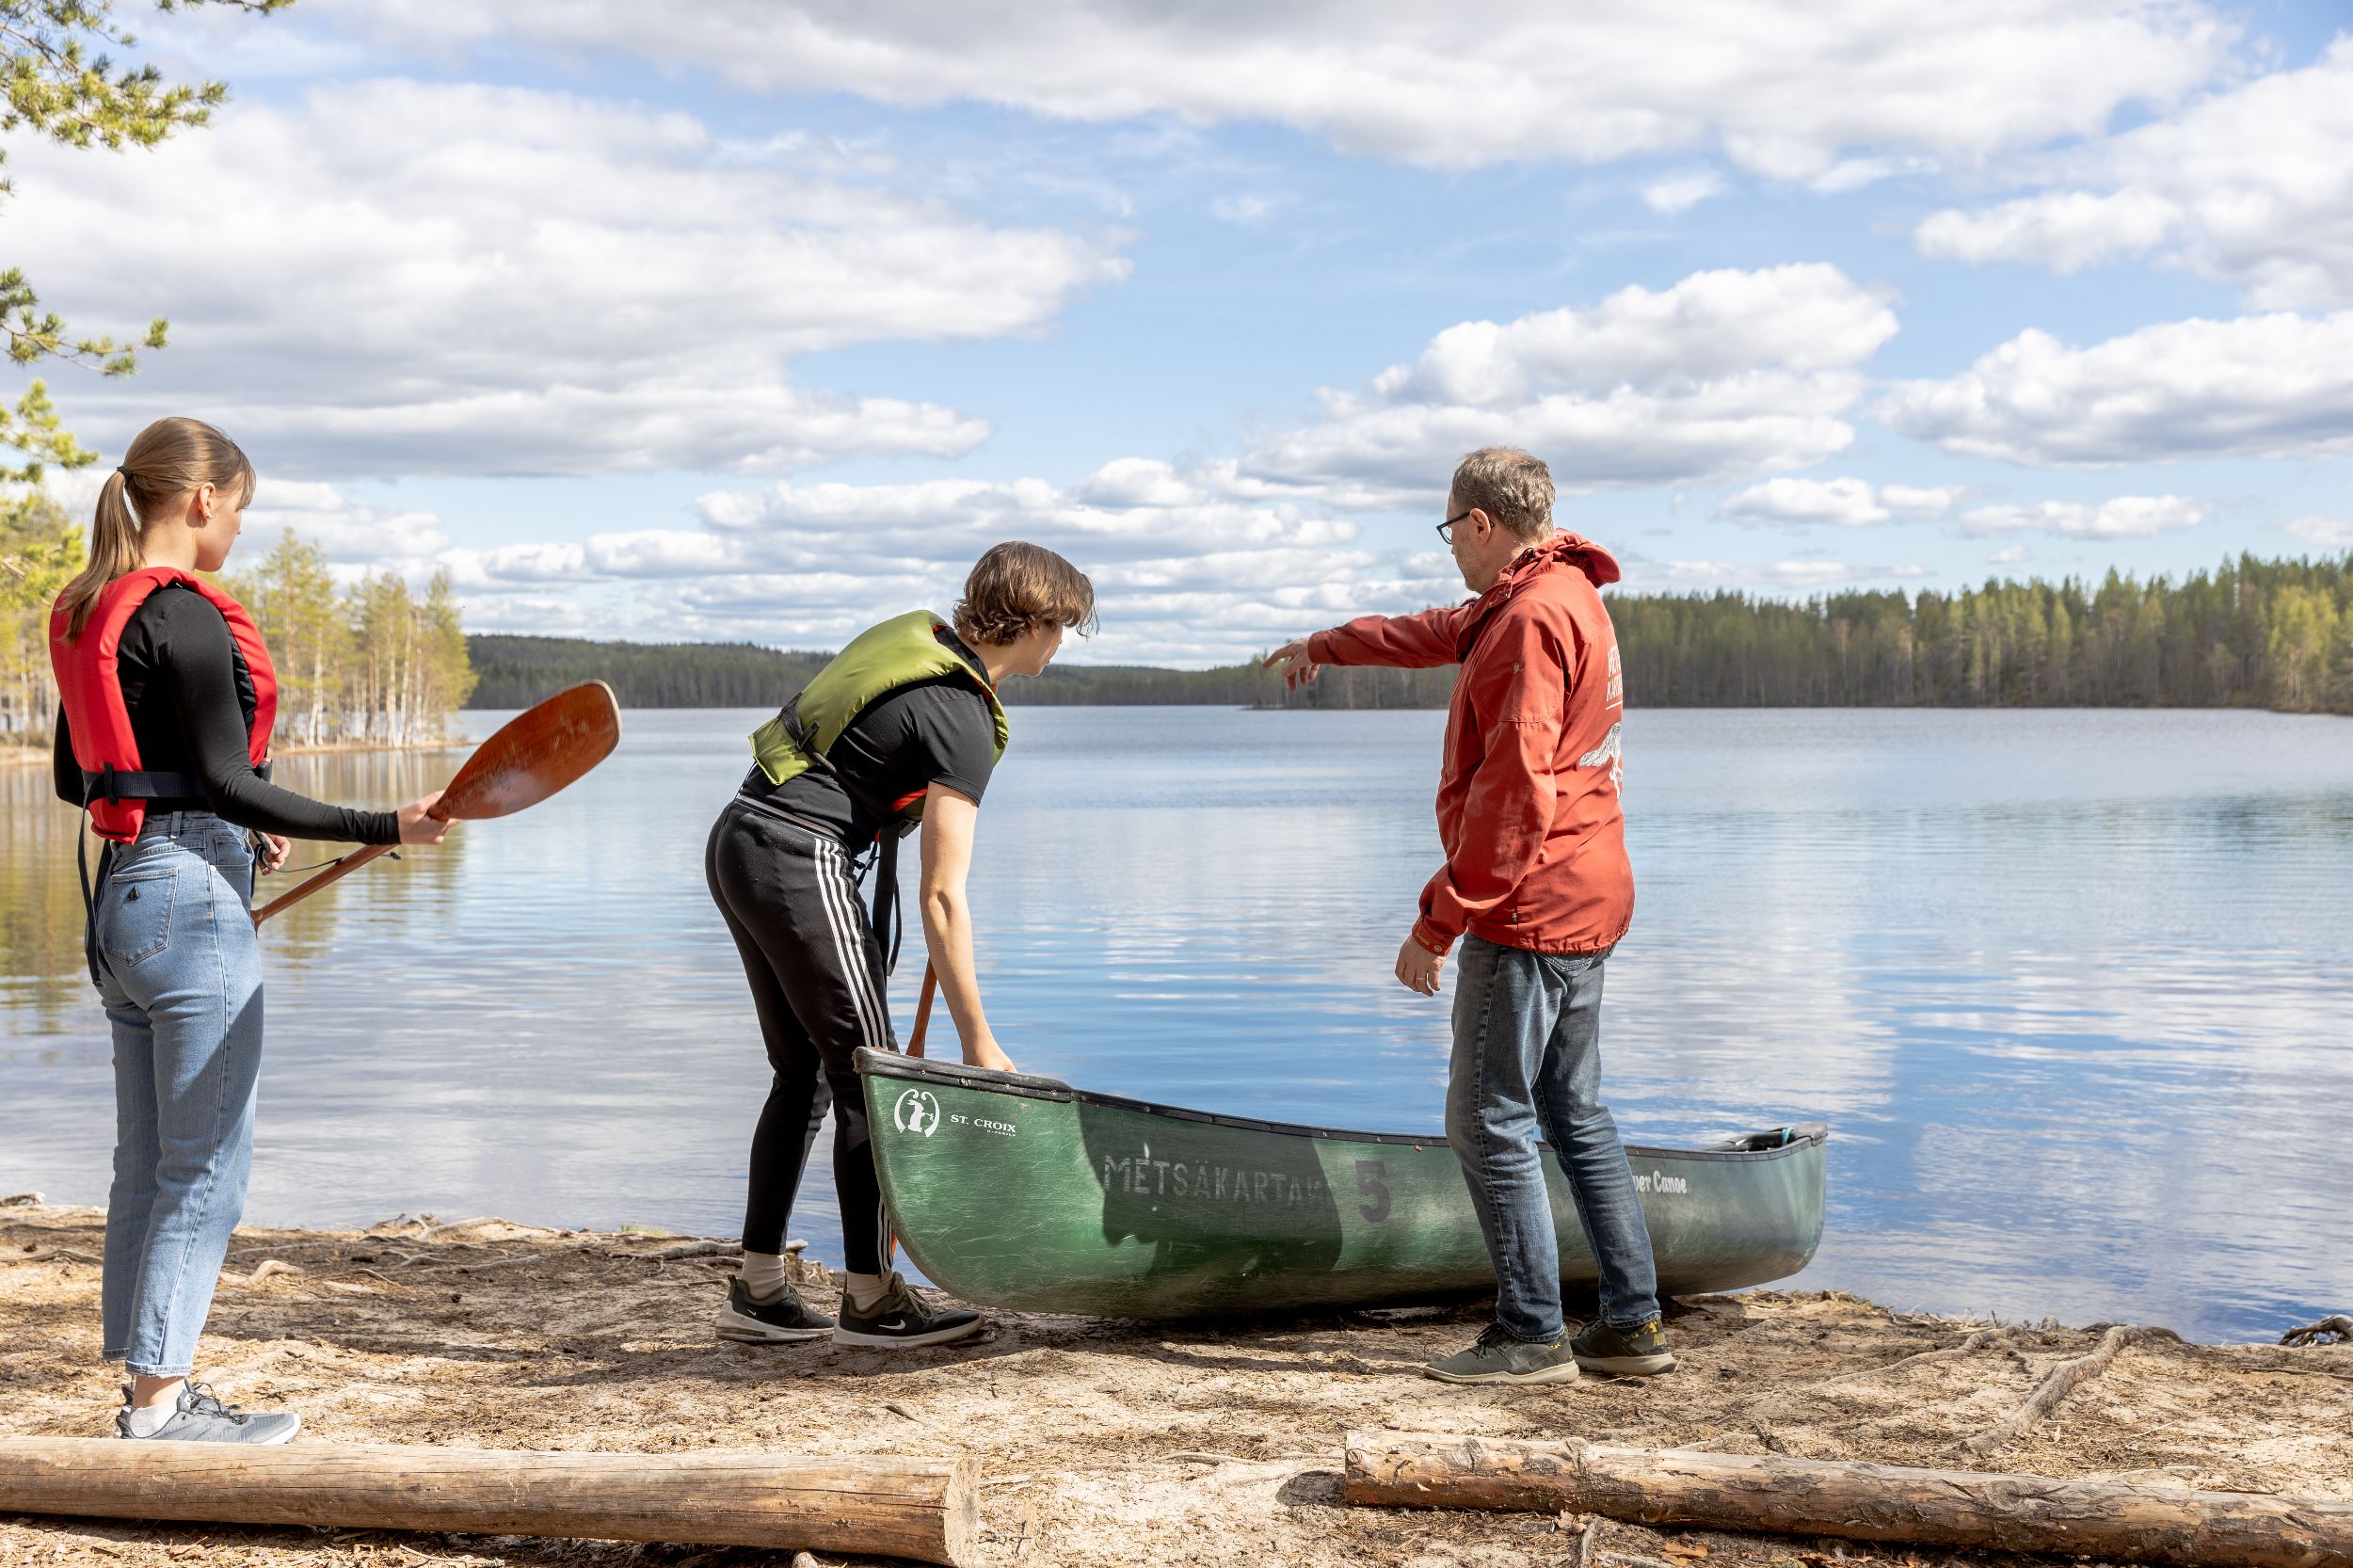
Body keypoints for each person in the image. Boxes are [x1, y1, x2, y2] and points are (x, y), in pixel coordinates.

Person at [49, 417, 450, 1442]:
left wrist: (225, 820)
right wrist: (385, 824)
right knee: (208, 1166)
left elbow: (75, 776)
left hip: (123, 903)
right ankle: (161, 1406)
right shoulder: (182, 614)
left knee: (147, 1160)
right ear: (202, 501)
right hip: (189, 905)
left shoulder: (94, 609)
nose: (237, 530)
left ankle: (146, 1387)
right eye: (239, 509)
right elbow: (231, 780)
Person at [1265, 446, 1672, 1387]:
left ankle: (1531, 1332)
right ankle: (1632, 1324)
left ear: (1481, 524)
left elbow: (1513, 798)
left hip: (1530, 906)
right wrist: (1327, 644)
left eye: (1450, 529)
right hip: (1590, 887)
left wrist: (1437, 921)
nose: (1449, 547)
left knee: (1486, 1119)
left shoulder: (1528, 619)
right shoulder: (1557, 590)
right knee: (1574, 1114)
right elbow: (1437, 630)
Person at [707, 541, 1095, 1350]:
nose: (1064, 642)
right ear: (1032, 621)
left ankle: (759, 1287)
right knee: (875, 1082)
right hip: (797, 853)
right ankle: (873, 1300)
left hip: (741, 838)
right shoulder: (961, 714)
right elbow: (944, 895)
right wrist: (980, 1042)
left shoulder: (922, 650)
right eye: (1064, 625)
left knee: (806, 1072)